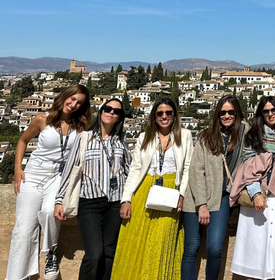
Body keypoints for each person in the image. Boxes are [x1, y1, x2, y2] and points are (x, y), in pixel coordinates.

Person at [7, 83, 91, 280]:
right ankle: (18, 276)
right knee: (23, 229)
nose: (73, 104)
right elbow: (22, 141)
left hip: (60, 176)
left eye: (79, 102)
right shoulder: (42, 119)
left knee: (49, 211)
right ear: (64, 96)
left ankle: (51, 252)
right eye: (72, 98)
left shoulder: (80, 127)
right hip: (34, 173)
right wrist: (17, 167)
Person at [111, 97, 193, 280]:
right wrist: (126, 199)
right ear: (154, 117)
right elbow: (135, 169)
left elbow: (188, 168)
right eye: (160, 113)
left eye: (168, 113)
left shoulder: (185, 135)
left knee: (162, 243)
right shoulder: (144, 137)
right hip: (145, 190)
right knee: (135, 242)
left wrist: (182, 195)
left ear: (174, 115)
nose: (164, 116)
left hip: (172, 192)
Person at [53, 98, 131, 280]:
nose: (111, 112)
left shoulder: (121, 140)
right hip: (89, 202)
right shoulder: (84, 137)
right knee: (94, 253)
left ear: (120, 118)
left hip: (115, 203)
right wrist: (59, 200)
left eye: (116, 111)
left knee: (109, 253)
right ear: (101, 111)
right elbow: (70, 170)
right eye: (108, 108)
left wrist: (128, 199)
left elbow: (129, 171)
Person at [181, 95, 246, 280]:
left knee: (214, 247)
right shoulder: (205, 137)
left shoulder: (242, 134)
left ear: (237, 113)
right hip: (196, 198)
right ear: (217, 114)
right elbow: (196, 171)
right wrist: (201, 204)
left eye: (231, 112)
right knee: (191, 248)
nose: (226, 115)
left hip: (222, 197)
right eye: (222, 112)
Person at [230, 95, 275, 280]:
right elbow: (247, 169)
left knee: (274, 250)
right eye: (266, 111)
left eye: (274, 110)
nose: (270, 114)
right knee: (254, 250)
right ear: (261, 113)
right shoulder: (254, 136)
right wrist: (256, 194)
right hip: (257, 198)